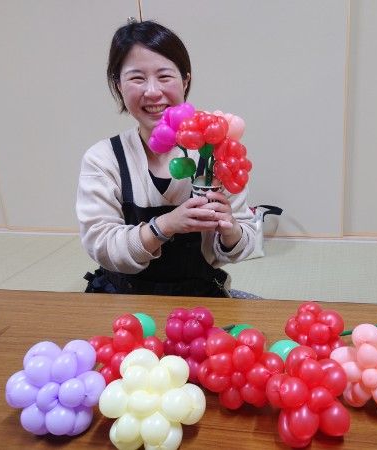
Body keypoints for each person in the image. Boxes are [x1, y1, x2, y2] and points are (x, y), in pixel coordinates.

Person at [76, 19, 257, 297]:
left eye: (164, 76)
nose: (152, 91)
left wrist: (230, 229)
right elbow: (101, 245)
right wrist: (167, 225)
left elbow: (246, 243)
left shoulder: (215, 152)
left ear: (185, 80)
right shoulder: (103, 159)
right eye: (137, 78)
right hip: (122, 297)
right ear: (118, 85)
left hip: (200, 297)